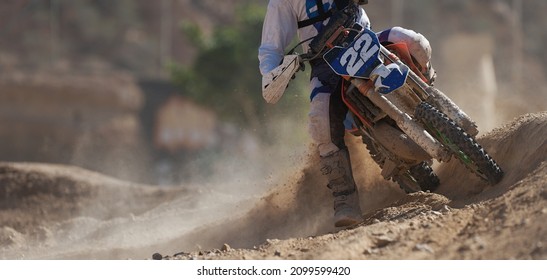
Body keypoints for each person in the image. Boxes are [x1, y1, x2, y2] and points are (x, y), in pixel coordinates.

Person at [258, 0, 435, 228]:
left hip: (365, 38)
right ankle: (345, 198)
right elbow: (270, 47)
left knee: (415, 43)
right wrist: (270, 73)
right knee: (320, 122)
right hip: (325, 64)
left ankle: (433, 99)